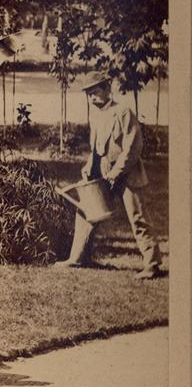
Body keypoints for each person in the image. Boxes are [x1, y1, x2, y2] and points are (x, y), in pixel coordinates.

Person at [58, 73, 165, 277]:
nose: (92, 98)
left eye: (95, 92)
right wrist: (89, 166)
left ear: (108, 90)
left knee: (138, 217)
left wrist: (117, 172)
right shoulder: (96, 115)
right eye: (89, 94)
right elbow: (97, 148)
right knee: (86, 212)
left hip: (128, 174)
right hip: (103, 175)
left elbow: (133, 147)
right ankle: (77, 259)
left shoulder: (123, 112)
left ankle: (152, 265)